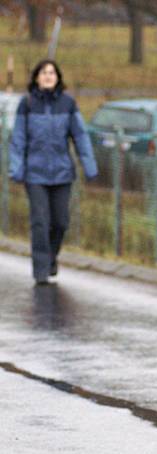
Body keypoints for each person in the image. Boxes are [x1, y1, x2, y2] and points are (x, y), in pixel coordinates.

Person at [9, 59, 97, 285]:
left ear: (58, 77)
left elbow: (80, 136)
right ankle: (40, 269)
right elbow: (18, 139)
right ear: (36, 77)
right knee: (39, 221)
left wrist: (89, 165)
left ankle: (51, 257)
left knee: (60, 222)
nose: (48, 76)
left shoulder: (68, 104)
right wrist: (16, 167)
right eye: (43, 72)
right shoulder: (27, 104)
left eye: (52, 72)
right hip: (35, 174)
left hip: (62, 174)